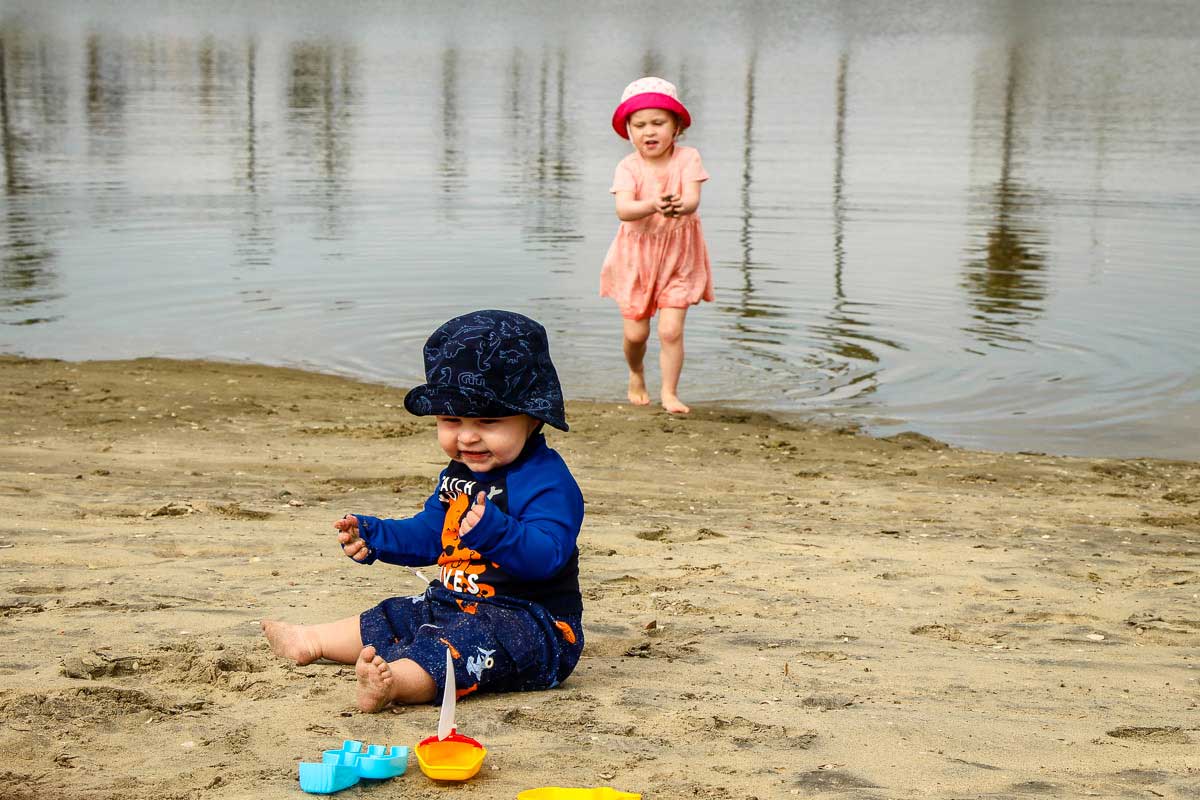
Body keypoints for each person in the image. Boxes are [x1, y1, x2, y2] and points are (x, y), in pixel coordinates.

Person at [261, 310, 585, 712]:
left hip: (531, 624)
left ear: (533, 418)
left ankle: (395, 683)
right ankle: (313, 641)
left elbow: (548, 556)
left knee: (463, 641)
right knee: (399, 614)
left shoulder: (548, 481)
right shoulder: (460, 473)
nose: (467, 436)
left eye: (488, 420)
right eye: (451, 420)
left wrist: (495, 533)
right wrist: (376, 536)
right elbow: (431, 532)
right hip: (454, 602)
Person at [600, 76, 714, 415]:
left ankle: (669, 392)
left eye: (658, 123)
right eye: (640, 125)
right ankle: (636, 373)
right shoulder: (628, 166)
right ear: (629, 130)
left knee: (670, 329)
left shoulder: (688, 158)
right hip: (636, 257)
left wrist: (678, 204)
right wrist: (653, 204)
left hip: (679, 255)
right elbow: (624, 210)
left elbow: (692, 200)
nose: (649, 132)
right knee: (636, 334)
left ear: (676, 126)